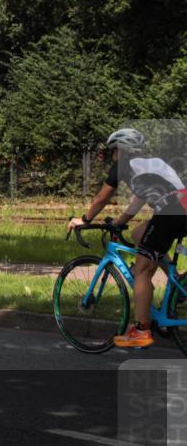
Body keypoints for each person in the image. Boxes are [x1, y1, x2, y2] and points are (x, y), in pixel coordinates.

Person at [68, 128, 187, 348]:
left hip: (170, 213)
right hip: (180, 210)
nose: (112, 155)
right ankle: (179, 282)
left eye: (114, 150)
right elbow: (141, 199)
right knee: (138, 234)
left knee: (142, 270)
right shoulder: (151, 163)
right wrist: (120, 222)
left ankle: (141, 331)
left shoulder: (123, 165)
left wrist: (84, 219)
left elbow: (103, 197)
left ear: (122, 149)